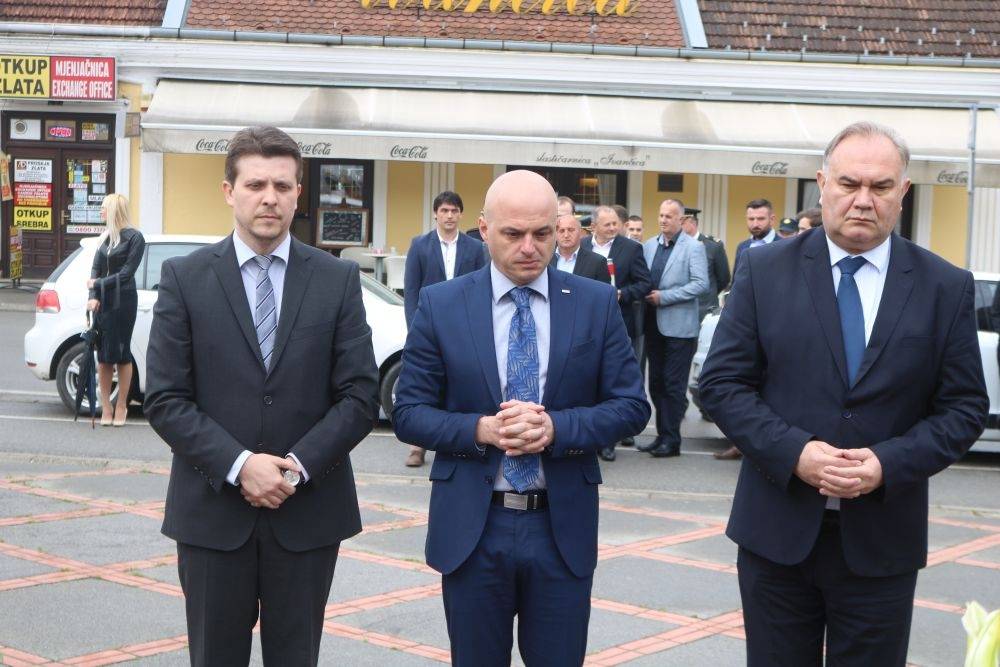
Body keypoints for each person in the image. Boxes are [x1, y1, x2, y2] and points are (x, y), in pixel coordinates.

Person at [698, 121, 988, 666]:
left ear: (903, 192)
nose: (863, 200)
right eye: (850, 183)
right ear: (822, 183)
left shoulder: (945, 286)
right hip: (776, 536)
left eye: (881, 187)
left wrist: (886, 464)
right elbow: (721, 384)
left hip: (883, 543)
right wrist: (796, 453)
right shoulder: (764, 270)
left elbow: (965, 408)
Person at [392, 169, 649, 667]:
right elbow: (408, 412)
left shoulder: (594, 303)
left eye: (543, 233)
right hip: (474, 527)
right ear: (484, 229)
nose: (530, 247)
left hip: (560, 526)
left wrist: (556, 429)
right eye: (513, 233)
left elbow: (631, 405)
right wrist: (482, 430)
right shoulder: (442, 304)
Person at [144, 126, 380, 666]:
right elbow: (166, 398)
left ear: (298, 193)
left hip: (308, 514)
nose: (269, 197)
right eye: (255, 184)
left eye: (281, 185)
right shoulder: (185, 278)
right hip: (212, 515)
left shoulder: (337, 279)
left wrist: (295, 468)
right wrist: (240, 465)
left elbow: (360, 395)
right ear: (229, 191)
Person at [403, 191, 488, 467]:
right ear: (435, 214)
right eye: (444, 211)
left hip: (465, 326)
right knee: (425, 384)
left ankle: (459, 441)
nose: (449, 216)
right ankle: (417, 447)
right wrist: (414, 328)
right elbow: (411, 291)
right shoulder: (419, 245)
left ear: (461, 214)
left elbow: (482, 288)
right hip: (429, 326)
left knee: (459, 384)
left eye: (454, 211)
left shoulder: (475, 248)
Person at [636, 199, 708, 458]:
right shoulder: (648, 245)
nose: (663, 220)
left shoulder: (694, 247)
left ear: (681, 219)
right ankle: (661, 435)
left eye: (669, 216)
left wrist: (665, 297)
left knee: (673, 385)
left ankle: (672, 439)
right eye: (661, 215)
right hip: (652, 324)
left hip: (679, 328)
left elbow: (700, 284)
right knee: (655, 383)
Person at [581, 205, 651, 460]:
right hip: (586, 323)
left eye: (615, 224)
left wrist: (623, 293)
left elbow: (645, 283)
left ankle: (609, 440)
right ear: (594, 226)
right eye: (607, 224)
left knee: (613, 379)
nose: (613, 228)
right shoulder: (582, 246)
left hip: (619, 321)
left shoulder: (631, 248)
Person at [86, 193, 144, 427]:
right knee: (104, 356)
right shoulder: (105, 238)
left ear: (113, 211)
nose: (100, 211)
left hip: (124, 301)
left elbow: (126, 274)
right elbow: (95, 270)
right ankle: (106, 407)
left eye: (103, 208)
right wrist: (93, 297)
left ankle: (122, 405)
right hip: (104, 303)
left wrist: (98, 284)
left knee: (122, 353)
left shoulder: (135, 238)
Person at [681, 207, 730, 321]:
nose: (678, 225)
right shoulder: (675, 245)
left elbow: (723, 278)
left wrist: (708, 292)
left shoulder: (713, 246)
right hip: (680, 310)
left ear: (693, 223)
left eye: (681, 222)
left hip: (704, 310)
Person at [549, 212, 611, 284]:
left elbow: (603, 289)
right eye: (561, 231)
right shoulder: (546, 259)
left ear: (581, 233)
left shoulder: (597, 262)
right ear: (555, 234)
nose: (566, 235)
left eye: (571, 230)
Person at [732, 198, 777, 272]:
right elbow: (737, 277)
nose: (755, 224)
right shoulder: (742, 247)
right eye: (751, 219)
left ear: (772, 220)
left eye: (761, 219)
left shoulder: (785, 247)